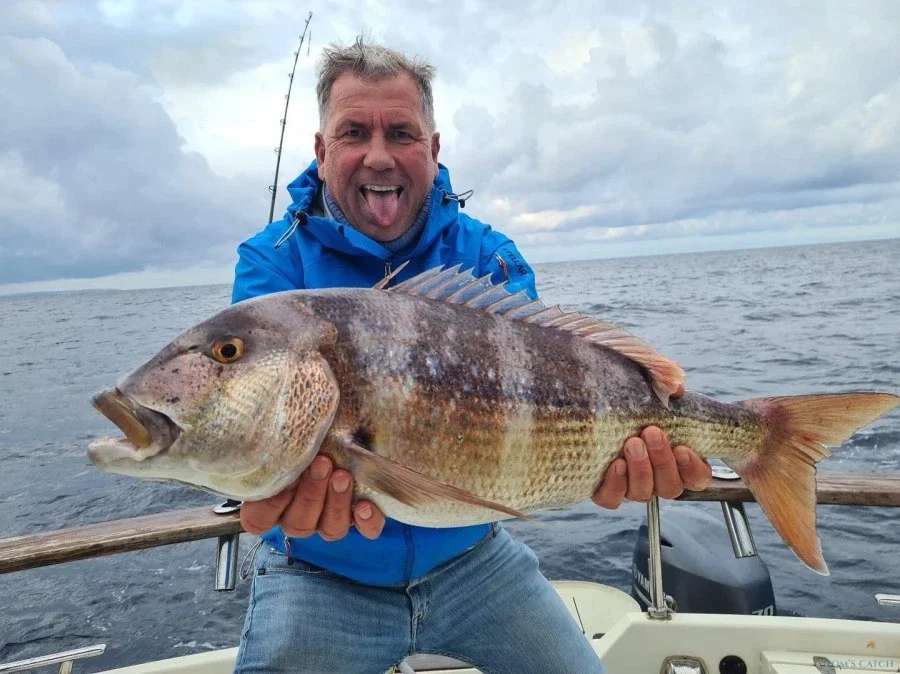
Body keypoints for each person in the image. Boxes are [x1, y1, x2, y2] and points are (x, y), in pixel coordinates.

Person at [229, 37, 712, 674]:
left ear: (433, 150)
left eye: (401, 133)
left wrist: (617, 463)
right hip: (319, 573)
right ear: (322, 153)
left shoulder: (488, 256)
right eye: (354, 133)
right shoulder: (271, 262)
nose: (379, 155)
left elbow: (545, 404)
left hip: (473, 561)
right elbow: (254, 424)